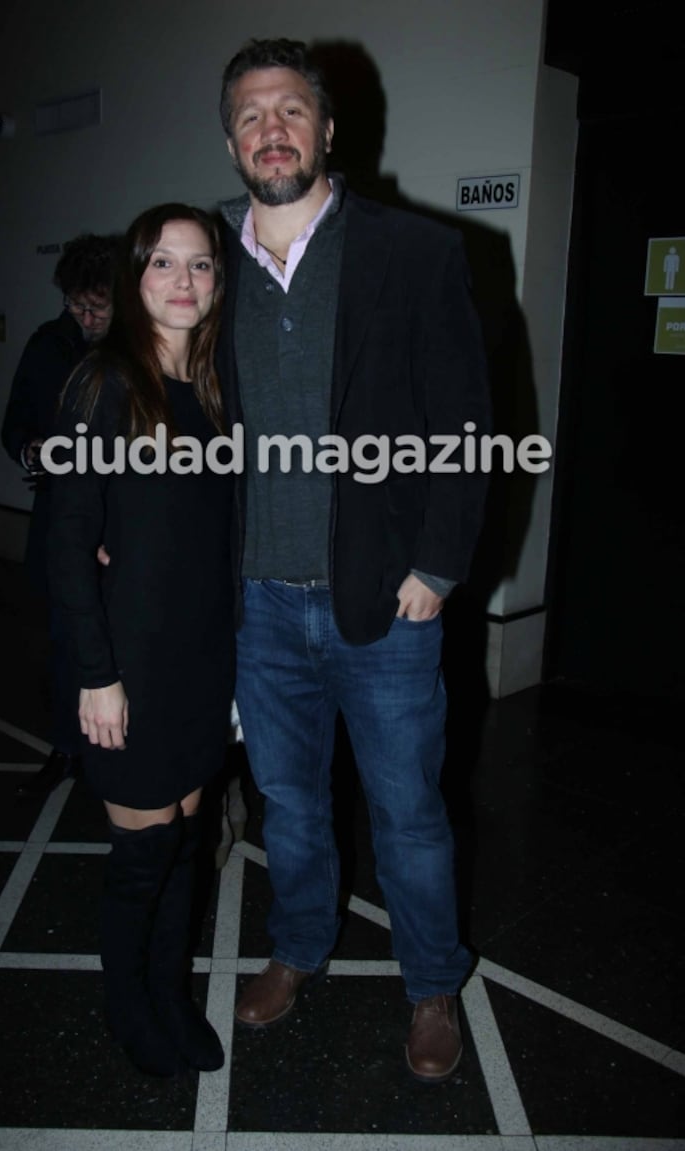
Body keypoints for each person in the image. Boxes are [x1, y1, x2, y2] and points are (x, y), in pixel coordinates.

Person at [216, 38, 491, 1083]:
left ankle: (429, 982)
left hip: (384, 600)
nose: (271, 129)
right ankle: (296, 945)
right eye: (249, 115)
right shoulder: (201, 261)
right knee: (289, 803)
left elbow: (466, 422)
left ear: (328, 130)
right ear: (231, 138)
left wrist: (438, 563)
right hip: (255, 601)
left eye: (290, 110)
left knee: (408, 811)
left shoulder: (412, 252)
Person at [46, 204, 235, 1077]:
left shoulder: (217, 386)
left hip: (200, 662)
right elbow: (66, 541)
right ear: (133, 277)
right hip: (127, 663)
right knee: (143, 854)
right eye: (163, 263)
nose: (183, 281)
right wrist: (96, 675)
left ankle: (169, 992)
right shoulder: (103, 383)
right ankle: (130, 1007)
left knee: (188, 845)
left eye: (199, 265)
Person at [1, 233, 120, 797]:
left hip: (122, 524)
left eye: (99, 304)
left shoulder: (139, 349)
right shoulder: (47, 344)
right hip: (59, 519)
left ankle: (116, 751)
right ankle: (66, 747)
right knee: (63, 639)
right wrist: (30, 450)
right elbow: (14, 425)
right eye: (78, 304)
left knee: (125, 641)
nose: (88, 316)